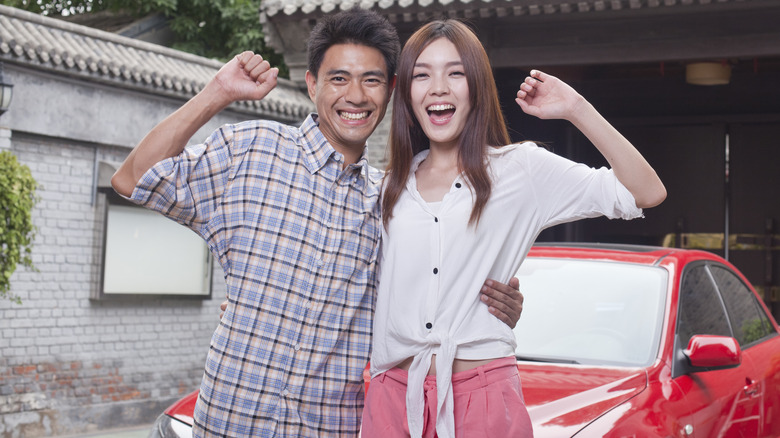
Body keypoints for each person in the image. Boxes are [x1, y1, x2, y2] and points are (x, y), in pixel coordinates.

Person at [111, 8, 524, 438]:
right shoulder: (252, 152)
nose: (356, 96)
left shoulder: (393, 202)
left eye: (372, 80)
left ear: (391, 90)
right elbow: (133, 178)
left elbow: (435, 293)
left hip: (329, 426)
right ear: (313, 84)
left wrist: (497, 304)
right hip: (229, 421)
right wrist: (217, 92)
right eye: (339, 78)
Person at [361, 20, 667, 438]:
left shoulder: (520, 170)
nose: (438, 88)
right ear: (407, 94)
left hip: (482, 399)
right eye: (422, 74)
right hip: (393, 398)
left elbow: (646, 191)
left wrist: (576, 107)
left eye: (456, 73)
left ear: (477, 87)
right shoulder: (385, 188)